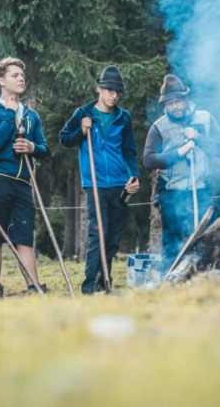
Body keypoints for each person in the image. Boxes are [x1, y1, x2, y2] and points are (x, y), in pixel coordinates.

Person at [59, 65, 141, 294]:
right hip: (95, 184)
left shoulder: (124, 118)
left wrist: (134, 176)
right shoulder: (83, 113)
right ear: (99, 88)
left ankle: (105, 282)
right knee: (99, 234)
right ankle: (90, 286)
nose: (113, 95)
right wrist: (80, 131)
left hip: (120, 184)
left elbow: (130, 151)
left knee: (114, 237)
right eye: (109, 90)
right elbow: (64, 139)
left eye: (117, 92)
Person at [0, 57, 49, 299]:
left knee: (24, 236)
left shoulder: (31, 115)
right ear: (1, 80)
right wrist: (9, 115)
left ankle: (34, 287)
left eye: (22, 75)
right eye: (14, 75)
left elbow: (44, 147)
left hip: (23, 182)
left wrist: (31, 147)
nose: (21, 79)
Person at [143, 74, 220, 270]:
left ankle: (204, 277)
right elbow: (148, 160)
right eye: (169, 103)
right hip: (171, 192)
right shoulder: (159, 127)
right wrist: (178, 153)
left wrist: (198, 138)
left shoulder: (204, 119)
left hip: (200, 188)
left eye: (178, 101)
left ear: (185, 98)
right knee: (172, 241)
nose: (174, 107)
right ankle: (170, 279)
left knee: (204, 238)